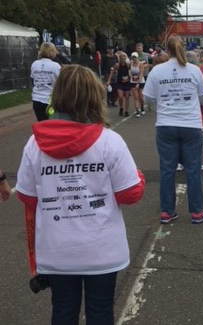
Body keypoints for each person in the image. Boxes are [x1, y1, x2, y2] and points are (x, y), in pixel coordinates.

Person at [16, 64, 145, 325]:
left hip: (58, 250)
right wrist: (138, 176)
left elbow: (28, 197)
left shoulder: (34, 144)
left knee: (63, 312)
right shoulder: (109, 141)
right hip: (101, 250)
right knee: (100, 312)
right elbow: (130, 193)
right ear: (94, 97)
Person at [143, 36, 203, 225]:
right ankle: (197, 212)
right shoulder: (194, 70)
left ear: (167, 50)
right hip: (190, 124)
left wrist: (164, 102)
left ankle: (167, 211)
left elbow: (147, 98)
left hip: (166, 124)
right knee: (193, 170)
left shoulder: (157, 70)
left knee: (167, 169)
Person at [30, 42, 61, 121]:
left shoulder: (34, 64)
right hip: (51, 101)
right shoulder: (56, 66)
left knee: (42, 124)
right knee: (53, 124)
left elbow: (33, 81)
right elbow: (60, 83)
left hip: (37, 99)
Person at [107, 52, 131, 117]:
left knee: (127, 97)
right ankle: (121, 108)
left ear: (126, 59)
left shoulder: (128, 65)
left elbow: (130, 73)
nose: (123, 60)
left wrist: (129, 79)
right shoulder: (117, 65)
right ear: (119, 59)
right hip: (120, 82)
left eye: (124, 59)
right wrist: (109, 80)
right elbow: (112, 73)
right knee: (120, 97)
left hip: (127, 83)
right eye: (122, 59)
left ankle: (126, 111)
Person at [129, 52, 146, 118]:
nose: (134, 58)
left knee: (141, 97)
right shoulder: (130, 64)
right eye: (133, 57)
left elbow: (141, 74)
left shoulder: (140, 64)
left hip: (140, 82)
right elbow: (129, 71)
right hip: (133, 81)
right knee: (136, 97)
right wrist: (130, 77)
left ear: (137, 57)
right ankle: (137, 111)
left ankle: (142, 107)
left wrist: (138, 83)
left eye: (135, 57)